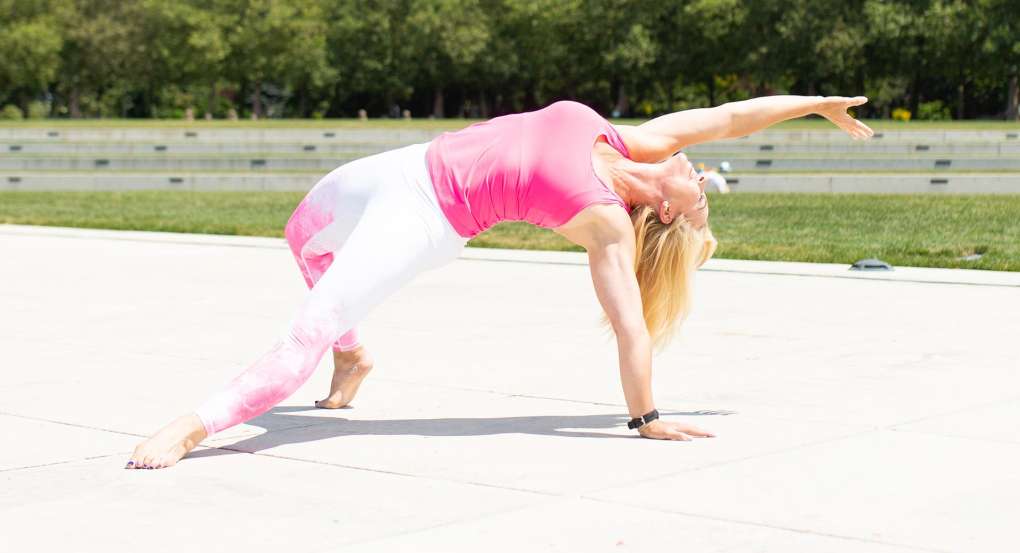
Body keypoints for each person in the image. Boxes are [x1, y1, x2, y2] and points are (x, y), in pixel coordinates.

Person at [127, 95, 873, 469]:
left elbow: (630, 327)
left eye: (701, 192)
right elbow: (730, 116)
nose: (699, 174)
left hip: (427, 219)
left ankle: (194, 424)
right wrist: (813, 104)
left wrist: (647, 418)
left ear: (667, 214)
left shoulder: (608, 222)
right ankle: (354, 356)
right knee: (301, 234)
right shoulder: (634, 140)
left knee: (302, 334)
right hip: (408, 164)